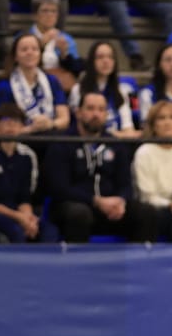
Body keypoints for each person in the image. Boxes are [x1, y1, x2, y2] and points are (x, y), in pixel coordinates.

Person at [44, 91, 158, 242]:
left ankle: (139, 263)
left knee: (146, 212)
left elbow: (125, 184)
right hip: (74, 206)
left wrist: (120, 201)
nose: (96, 114)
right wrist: (96, 201)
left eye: (101, 109)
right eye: (90, 109)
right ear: (78, 112)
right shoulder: (62, 143)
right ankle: (77, 264)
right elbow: (59, 188)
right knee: (79, 213)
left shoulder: (116, 144)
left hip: (111, 208)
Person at [0, 101, 58, 243]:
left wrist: (28, 217)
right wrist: (19, 218)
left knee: (49, 232)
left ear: (22, 126)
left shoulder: (28, 155)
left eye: (16, 121)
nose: (11, 125)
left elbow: (26, 196)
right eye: (6, 121)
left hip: (20, 210)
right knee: (16, 231)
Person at [134, 99, 172, 240]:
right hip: (154, 210)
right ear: (153, 125)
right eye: (161, 118)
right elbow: (146, 195)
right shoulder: (144, 152)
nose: (168, 123)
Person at [0, 32, 67, 134]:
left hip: (50, 137)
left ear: (40, 54)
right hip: (20, 140)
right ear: (15, 56)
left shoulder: (52, 81)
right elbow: (3, 127)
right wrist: (31, 129)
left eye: (34, 49)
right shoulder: (5, 86)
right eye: (24, 49)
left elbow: (64, 119)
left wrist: (50, 124)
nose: (29, 53)